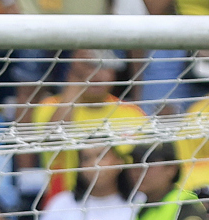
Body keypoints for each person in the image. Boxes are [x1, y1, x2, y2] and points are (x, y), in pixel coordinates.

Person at [25, 50, 149, 200]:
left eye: (103, 67)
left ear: (114, 72)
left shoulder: (132, 113)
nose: (97, 75)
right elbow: (53, 139)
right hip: (65, 206)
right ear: (74, 70)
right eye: (89, 67)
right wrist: (75, 81)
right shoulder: (50, 107)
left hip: (122, 202)